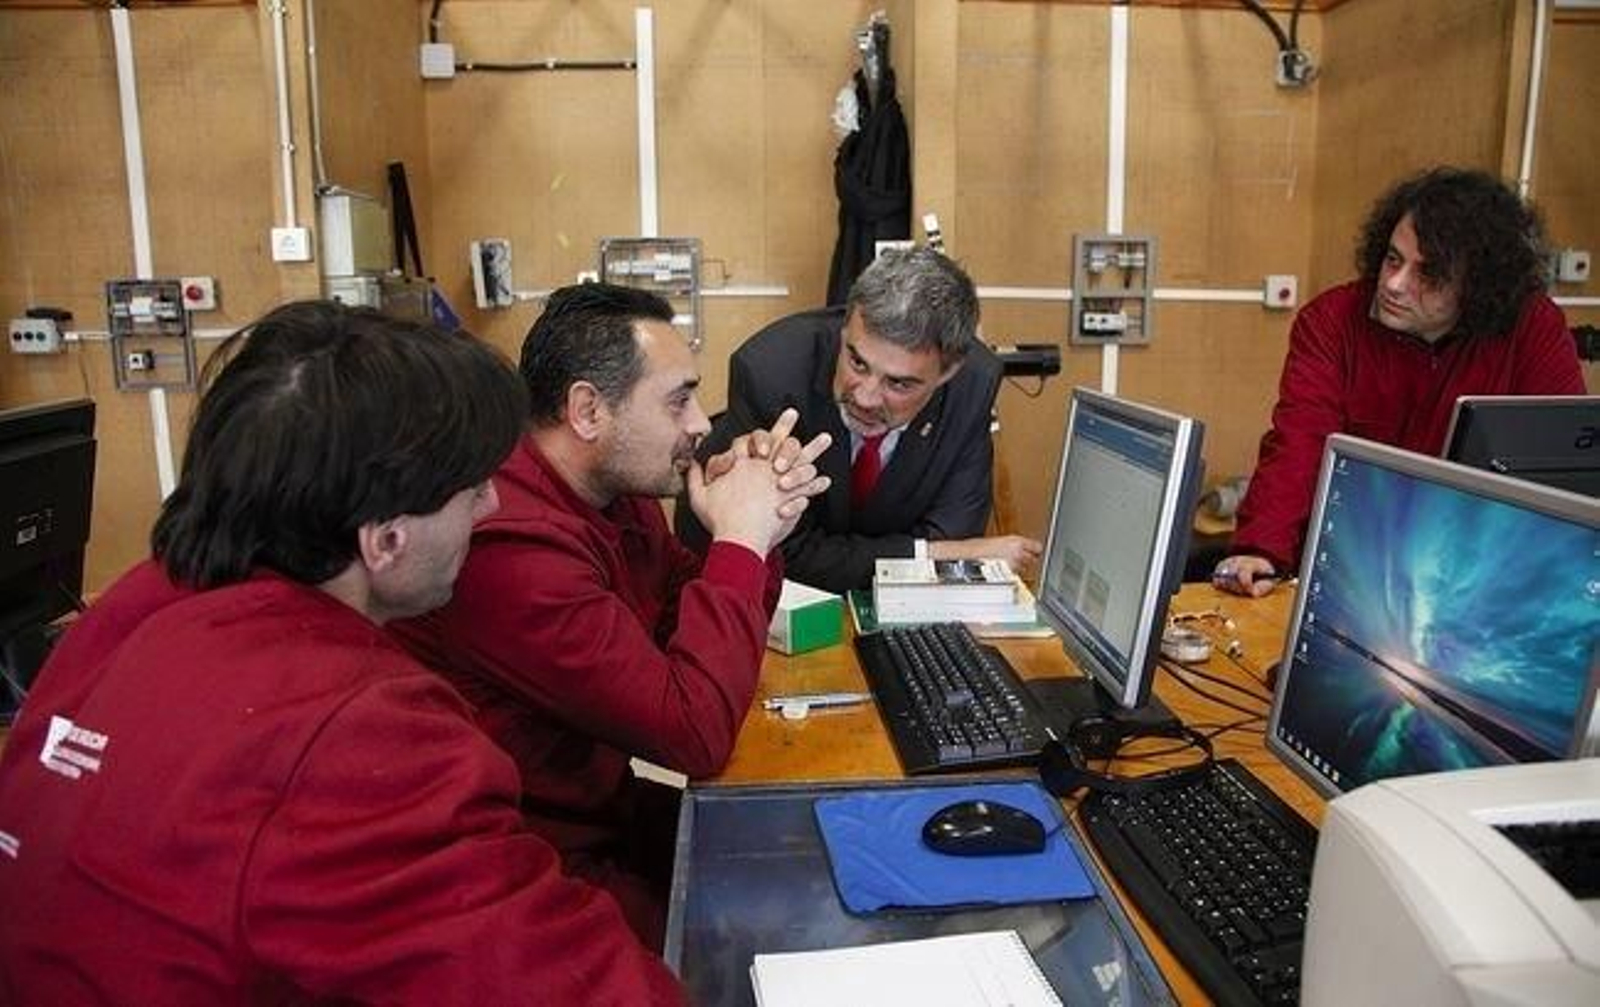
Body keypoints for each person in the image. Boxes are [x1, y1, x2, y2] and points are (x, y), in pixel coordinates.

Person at [0, 301, 684, 1004]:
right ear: (384, 538)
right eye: (473, 487)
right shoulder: (357, 731)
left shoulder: (123, 612)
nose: (490, 508)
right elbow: (581, 989)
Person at [391, 282, 830, 950]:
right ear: (588, 410)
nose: (700, 424)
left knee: (798, 852)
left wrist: (758, 531)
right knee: (757, 940)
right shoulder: (509, 543)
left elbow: (685, 622)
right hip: (525, 856)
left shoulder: (612, 489)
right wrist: (739, 539)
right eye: (678, 399)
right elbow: (694, 730)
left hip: (603, 809)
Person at [1215, 166, 1586, 597]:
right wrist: (1261, 549)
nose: (1393, 284)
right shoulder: (1332, 321)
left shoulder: (1532, 326)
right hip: (1347, 570)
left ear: (1478, 287)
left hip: (1479, 574)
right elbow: (1299, 440)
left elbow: (1562, 465)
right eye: (1393, 259)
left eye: (1426, 274)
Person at [676, 246, 1042, 594]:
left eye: (898, 383)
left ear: (948, 373)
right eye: (857, 362)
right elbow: (783, 553)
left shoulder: (974, 382)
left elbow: (953, 535)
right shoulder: (770, 372)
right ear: (845, 328)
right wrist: (930, 555)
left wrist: (942, 551)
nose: (865, 398)